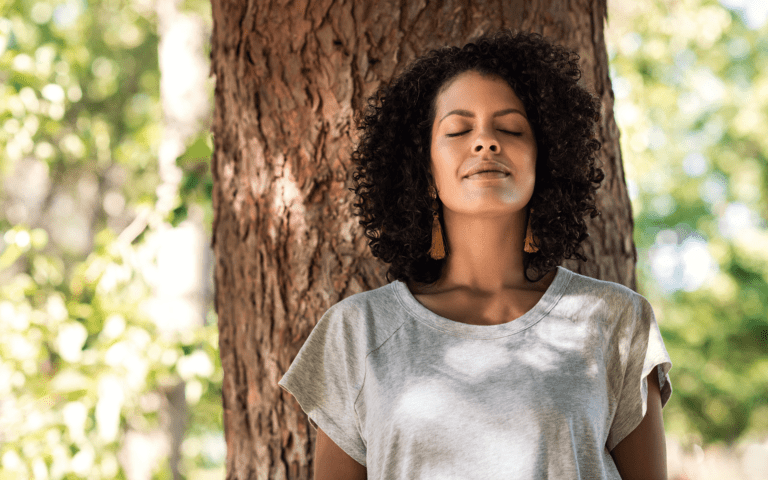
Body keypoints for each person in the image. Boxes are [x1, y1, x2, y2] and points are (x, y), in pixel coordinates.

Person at [278, 28, 673, 480]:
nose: (485, 141)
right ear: (424, 169)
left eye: (510, 128)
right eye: (458, 129)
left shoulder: (616, 320)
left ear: (545, 160)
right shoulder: (356, 332)